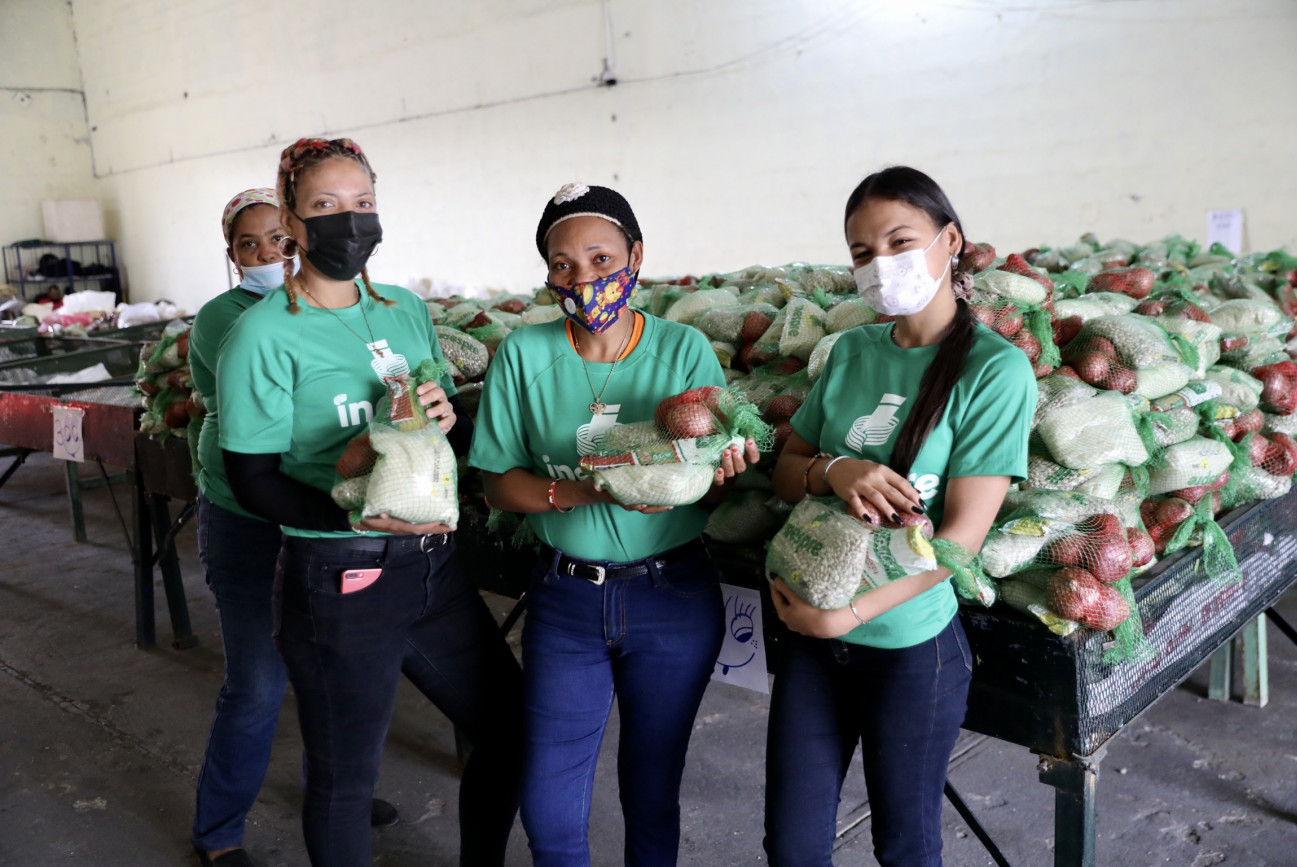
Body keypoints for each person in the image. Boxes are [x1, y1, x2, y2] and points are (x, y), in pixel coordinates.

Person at [215, 138, 523, 867]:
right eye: (325, 205)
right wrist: (348, 516)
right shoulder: (261, 335)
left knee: (514, 727)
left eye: (363, 203)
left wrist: (451, 418)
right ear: (292, 219)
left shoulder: (405, 309)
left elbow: (441, 430)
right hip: (341, 581)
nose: (348, 221)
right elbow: (253, 478)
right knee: (345, 780)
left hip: (434, 568)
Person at [469, 183, 760, 866]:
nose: (584, 279)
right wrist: (586, 490)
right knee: (548, 802)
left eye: (601, 259)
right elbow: (498, 482)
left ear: (635, 256)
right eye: (563, 265)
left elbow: (709, 470)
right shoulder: (523, 354)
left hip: (671, 595)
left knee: (652, 791)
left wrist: (728, 467)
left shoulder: (683, 348)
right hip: (566, 599)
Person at [764, 166, 1036, 867]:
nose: (881, 263)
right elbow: (787, 471)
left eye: (899, 241)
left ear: (951, 241)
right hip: (812, 641)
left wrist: (846, 617)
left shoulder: (995, 369)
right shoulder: (851, 351)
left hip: (909, 648)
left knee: (905, 847)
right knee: (792, 846)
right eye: (862, 252)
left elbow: (960, 541)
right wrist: (834, 469)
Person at [188, 188, 402, 867]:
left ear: (296, 236)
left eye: (275, 240)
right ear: (231, 255)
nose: (266, 254)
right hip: (248, 516)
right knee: (258, 681)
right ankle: (219, 832)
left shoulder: (342, 305)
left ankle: (336, 794)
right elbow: (266, 430)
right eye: (247, 244)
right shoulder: (227, 321)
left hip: (319, 517)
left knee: (331, 667)